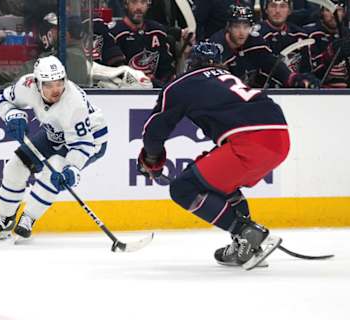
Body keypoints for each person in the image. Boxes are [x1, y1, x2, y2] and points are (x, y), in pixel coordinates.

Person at [137, 42, 287, 269]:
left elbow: (154, 132)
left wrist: (151, 160)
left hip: (249, 141)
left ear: (191, 63)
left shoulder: (182, 84)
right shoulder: (228, 77)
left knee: (183, 189)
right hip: (280, 138)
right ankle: (247, 246)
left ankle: (246, 233)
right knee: (217, 185)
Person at [0, 55, 108, 240]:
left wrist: (71, 170)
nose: (56, 90)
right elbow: (5, 100)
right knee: (15, 166)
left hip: (91, 139)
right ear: (37, 84)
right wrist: (13, 115)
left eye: (59, 83)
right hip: (54, 133)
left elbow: (82, 144)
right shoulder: (27, 85)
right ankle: (5, 219)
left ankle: (28, 218)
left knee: (54, 169)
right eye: (48, 84)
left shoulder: (74, 104)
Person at [209, 5, 318, 88]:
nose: (241, 32)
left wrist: (292, 78)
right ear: (228, 27)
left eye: (246, 27)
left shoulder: (254, 39)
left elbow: (271, 62)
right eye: (236, 27)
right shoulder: (216, 47)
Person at [108, 0, 176, 87]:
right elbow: (113, 71)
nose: (139, 7)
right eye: (134, 2)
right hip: (124, 91)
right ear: (126, 4)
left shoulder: (158, 31)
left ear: (148, 5)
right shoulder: (114, 33)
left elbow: (167, 70)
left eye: (143, 2)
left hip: (154, 92)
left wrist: (156, 83)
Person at [304, 0, 350, 88]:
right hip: (320, 92)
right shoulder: (311, 36)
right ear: (321, 13)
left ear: (344, 13)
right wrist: (330, 53)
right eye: (328, 10)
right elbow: (307, 70)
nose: (333, 14)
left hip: (347, 93)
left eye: (338, 10)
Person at [256, 0, 313, 75]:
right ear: (266, 10)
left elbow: (307, 70)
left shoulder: (300, 35)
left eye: (282, 6)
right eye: (273, 6)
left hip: (296, 84)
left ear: (289, 11)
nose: (277, 11)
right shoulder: (257, 34)